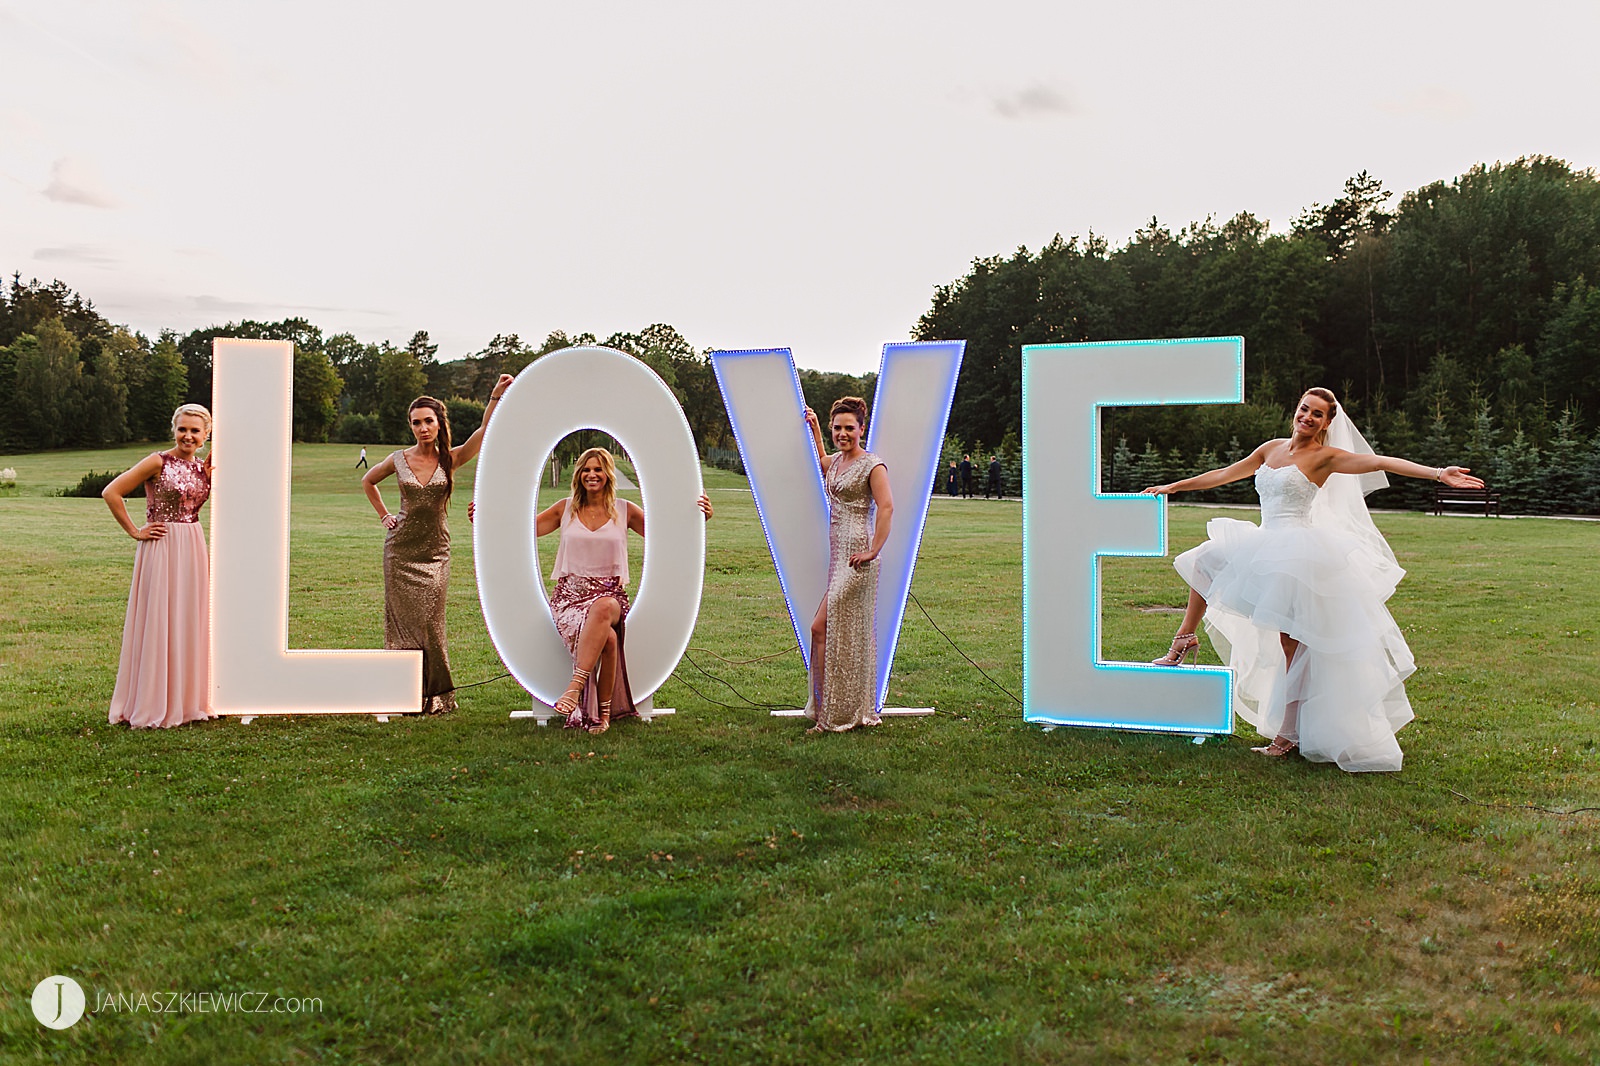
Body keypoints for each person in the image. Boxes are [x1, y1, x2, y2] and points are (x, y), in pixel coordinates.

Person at [1142, 388, 1485, 772]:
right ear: (1296, 409)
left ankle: (1288, 733)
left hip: (1299, 553)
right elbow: (1225, 473)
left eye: (1318, 414)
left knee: (1294, 645)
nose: (1308, 417)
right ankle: (1184, 638)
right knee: (1204, 560)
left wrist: (1439, 473)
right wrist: (1175, 486)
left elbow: (1379, 461)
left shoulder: (1326, 457)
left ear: (1327, 422)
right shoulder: (1270, 449)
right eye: (1304, 408)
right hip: (1264, 541)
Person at [520, 448, 713, 734]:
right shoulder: (565, 508)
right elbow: (523, 528)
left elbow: (667, 534)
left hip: (610, 595)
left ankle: (574, 688)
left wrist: (701, 518)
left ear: (608, 474)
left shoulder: (624, 510)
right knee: (608, 639)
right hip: (570, 598)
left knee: (602, 608)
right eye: (586, 470)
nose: (591, 475)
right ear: (579, 475)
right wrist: (486, 518)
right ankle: (605, 715)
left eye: (598, 469)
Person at [362, 377, 513, 713]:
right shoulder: (398, 459)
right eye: (416, 422)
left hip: (435, 553)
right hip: (400, 552)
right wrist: (385, 515)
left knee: (431, 624)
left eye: (428, 421)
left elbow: (485, 432)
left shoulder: (449, 459)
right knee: (401, 626)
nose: (422, 428)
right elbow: (368, 480)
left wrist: (494, 397)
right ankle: (404, 695)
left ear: (438, 423)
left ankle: (437, 698)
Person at [103, 404, 216, 728]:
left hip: (193, 544)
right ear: (174, 429)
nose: (188, 436)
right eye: (183, 429)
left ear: (206, 435)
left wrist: (209, 479)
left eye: (195, 431)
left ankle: (187, 701)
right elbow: (112, 492)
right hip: (162, 545)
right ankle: (152, 702)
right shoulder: (157, 461)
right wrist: (135, 531)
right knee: (159, 619)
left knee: (187, 619)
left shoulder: (202, 469)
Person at [801, 397, 894, 732]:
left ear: (861, 429)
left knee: (824, 629)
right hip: (838, 558)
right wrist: (815, 432)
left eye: (849, 428)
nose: (843, 433)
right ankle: (827, 710)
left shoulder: (873, 465)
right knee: (829, 632)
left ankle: (832, 716)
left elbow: (886, 508)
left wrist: (873, 551)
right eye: (837, 427)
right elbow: (824, 462)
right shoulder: (837, 462)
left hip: (857, 558)